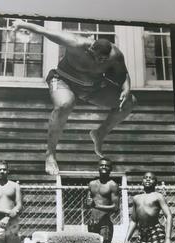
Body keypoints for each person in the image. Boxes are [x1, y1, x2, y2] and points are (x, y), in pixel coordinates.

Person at [11, 20, 136, 175]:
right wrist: (21, 24)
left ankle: (99, 133)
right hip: (63, 79)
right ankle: (50, 154)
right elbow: (45, 31)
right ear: (90, 49)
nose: (100, 62)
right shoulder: (74, 43)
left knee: (129, 102)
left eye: (104, 60)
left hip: (90, 88)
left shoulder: (115, 55)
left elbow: (123, 74)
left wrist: (126, 88)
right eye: (97, 57)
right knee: (65, 104)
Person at [86, 157, 119, 243]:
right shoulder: (92, 183)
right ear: (98, 167)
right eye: (102, 165)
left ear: (110, 169)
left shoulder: (113, 185)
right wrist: (88, 204)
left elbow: (116, 207)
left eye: (107, 166)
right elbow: (89, 202)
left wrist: (98, 206)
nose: (104, 167)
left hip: (104, 226)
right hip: (92, 225)